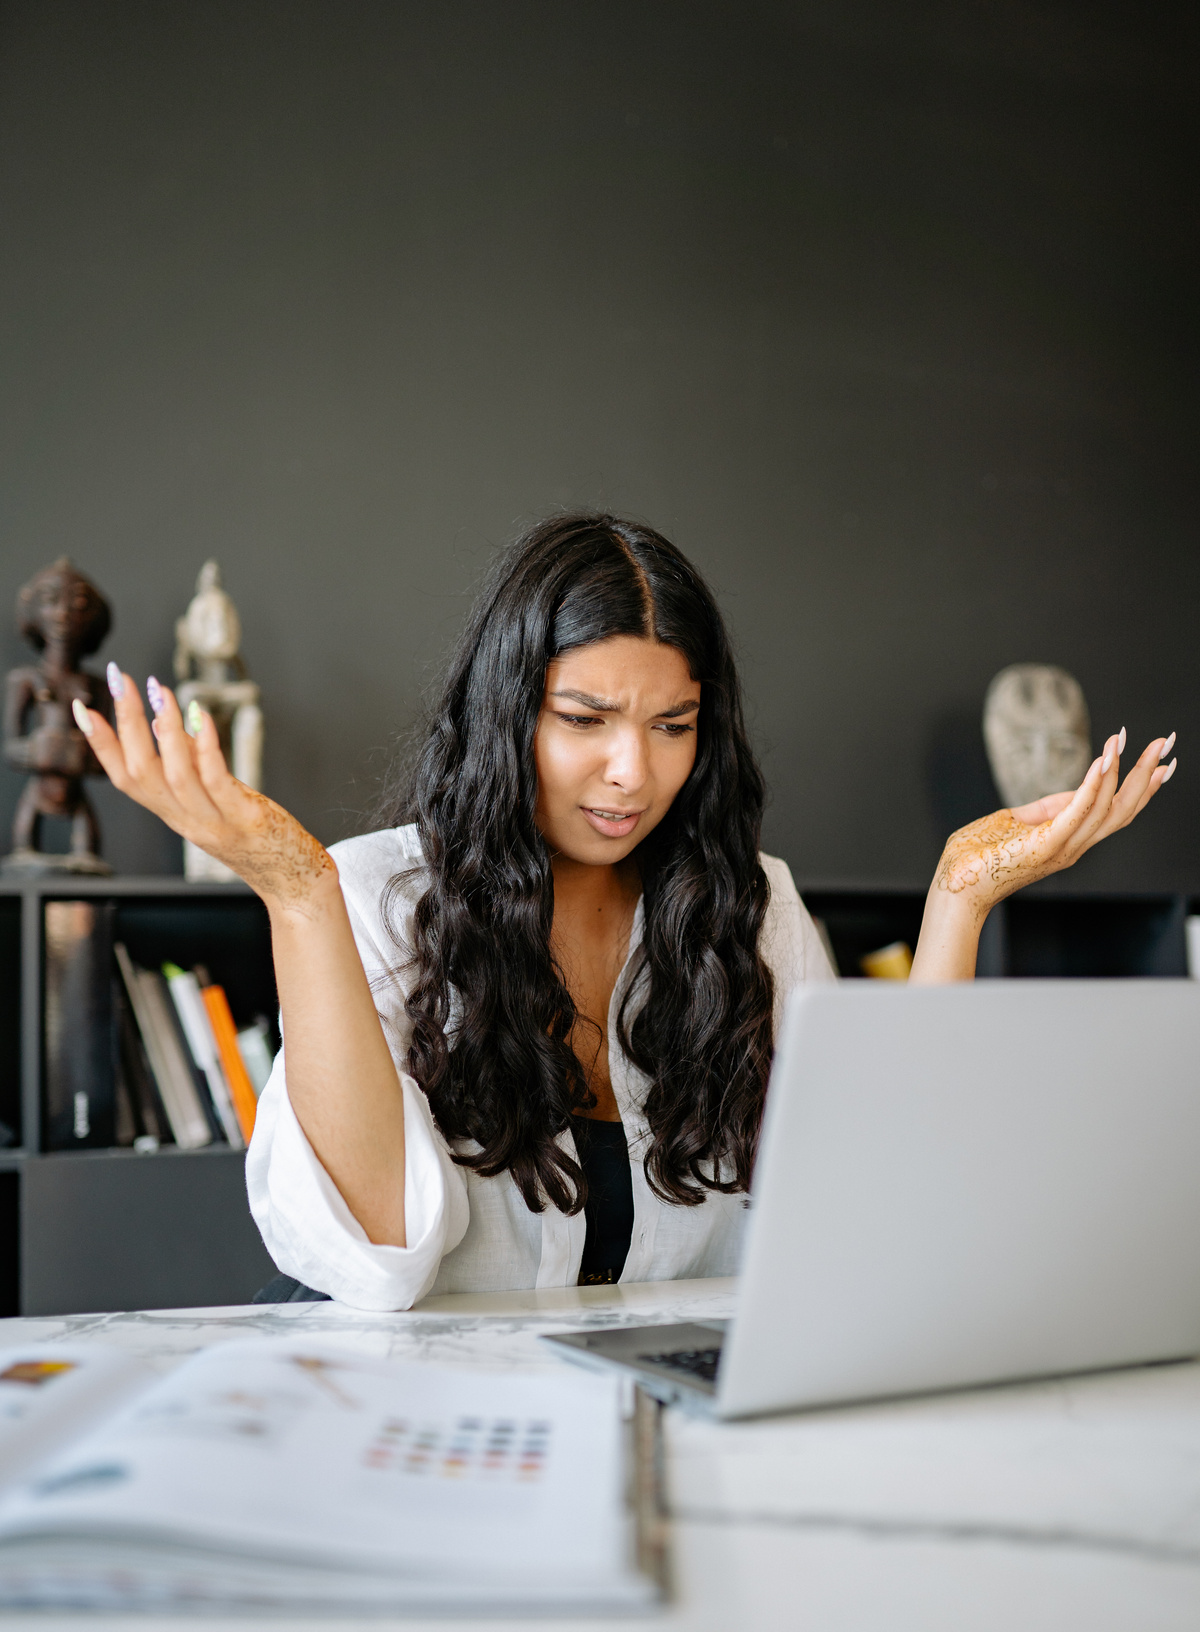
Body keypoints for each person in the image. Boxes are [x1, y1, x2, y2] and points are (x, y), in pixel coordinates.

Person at [72, 515, 1177, 1309]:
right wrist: (296, 892)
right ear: (509, 713)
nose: (629, 775)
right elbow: (382, 1256)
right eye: (585, 717)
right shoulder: (373, 894)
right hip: (420, 1420)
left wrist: (959, 900)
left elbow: (870, 1222)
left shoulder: (752, 910)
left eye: (672, 725)